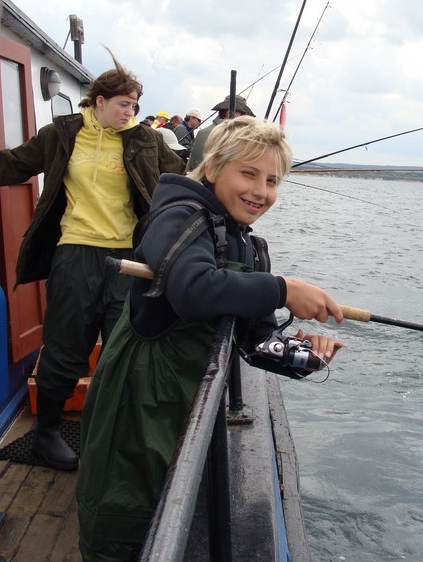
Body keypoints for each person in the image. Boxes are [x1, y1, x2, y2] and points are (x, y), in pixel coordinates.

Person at [76, 116, 344, 561]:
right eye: (248, 173)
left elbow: (257, 341)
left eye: (272, 181)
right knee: (124, 515)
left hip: (186, 396)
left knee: (172, 506)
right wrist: (283, 289)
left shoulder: (245, 243)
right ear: (214, 167)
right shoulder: (178, 215)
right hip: (139, 400)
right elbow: (193, 288)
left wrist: (306, 355)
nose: (261, 191)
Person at [0, 53, 186, 472]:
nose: (130, 112)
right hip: (76, 253)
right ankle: (46, 433)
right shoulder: (62, 134)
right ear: (99, 101)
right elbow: (13, 164)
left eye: (134, 105)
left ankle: (117, 432)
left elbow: (184, 179)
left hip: (130, 258)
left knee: (124, 347)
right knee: (65, 347)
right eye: (123, 104)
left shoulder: (146, 140)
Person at [186, 94, 255, 171]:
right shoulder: (224, 136)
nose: (245, 119)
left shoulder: (204, 132)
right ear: (229, 114)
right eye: (243, 115)